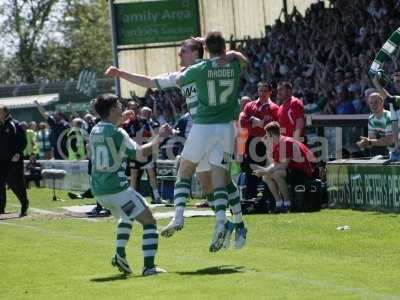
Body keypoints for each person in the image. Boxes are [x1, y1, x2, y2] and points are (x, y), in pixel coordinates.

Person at [105, 36, 248, 251]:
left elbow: (153, 82)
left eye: (183, 50)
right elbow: (150, 81)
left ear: (196, 52)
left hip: (206, 126)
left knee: (212, 177)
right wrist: (121, 73)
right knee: (212, 183)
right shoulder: (219, 63)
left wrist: (120, 74)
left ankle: (229, 222)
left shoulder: (195, 71)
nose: (179, 54)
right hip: (219, 127)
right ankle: (228, 223)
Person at [90, 94, 170, 276]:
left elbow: (109, 131)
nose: (122, 107)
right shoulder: (118, 132)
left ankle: (120, 254)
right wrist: (159, 138)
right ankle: (149, 267)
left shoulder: (95, 129)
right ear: (112, 110)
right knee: (150, 222)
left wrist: (120, 119)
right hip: (117, 190)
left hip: (100, 191)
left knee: (127, 216)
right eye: (118, 105)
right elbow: (139, 154)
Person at [253, 122, 316, 211]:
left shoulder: (286, 142)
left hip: (302, 172)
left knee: (276, 174)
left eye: (267, 135)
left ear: (271, 134)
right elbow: (275, 164)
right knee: (266, 176)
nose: (266, 137)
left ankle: (287, 203)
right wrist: (265, 171)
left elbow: (283, 166)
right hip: (292, 171)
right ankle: (279, 203)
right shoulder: (278, 144)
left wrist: (266, 170)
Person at [239, 81, 279, 200]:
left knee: (268, 170)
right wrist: (254, 120)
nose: (261, 93)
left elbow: (273, 126)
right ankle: (250, 199)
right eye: (260, 90)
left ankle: (269, 199)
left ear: (270, 92)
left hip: (267, 141)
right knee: (252, 171)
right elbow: (242, 122)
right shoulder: (250, 105)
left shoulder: (274, 108)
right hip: (252, 142)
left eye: (264, 90)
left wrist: (257, 123)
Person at [0, 105, 29, 217]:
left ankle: (24, 204)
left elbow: (23, 141)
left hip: (14, 159)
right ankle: (1, 208)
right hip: (2, 160)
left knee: (16, 183)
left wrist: (17, 153)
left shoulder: (15, 124)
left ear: (5, 112)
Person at [372, 71, 400, 161]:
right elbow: (395, 126)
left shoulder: (395, 100)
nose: (397, 84)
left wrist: (376, 81)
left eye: (399, 81)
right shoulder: (394, 103)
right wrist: (396, 145)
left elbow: (389, 98)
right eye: (396, 81)